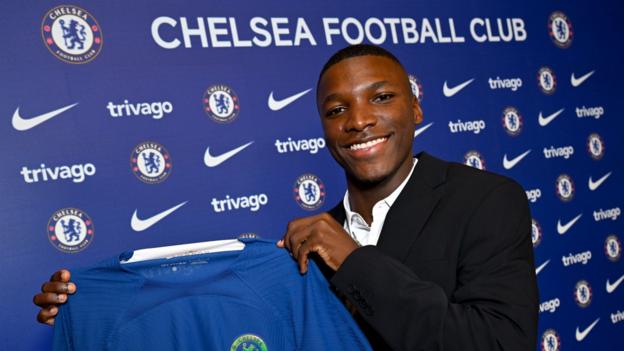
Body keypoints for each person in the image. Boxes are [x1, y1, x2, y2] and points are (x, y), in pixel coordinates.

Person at [34, 44, 538, 350]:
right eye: (337, 109)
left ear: (417, 107)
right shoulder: (303, 249)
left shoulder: (487, 200)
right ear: (323, 127)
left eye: (381, 98)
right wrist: (86, 304)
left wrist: (353, 259)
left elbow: (498, 344)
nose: (359, 120)